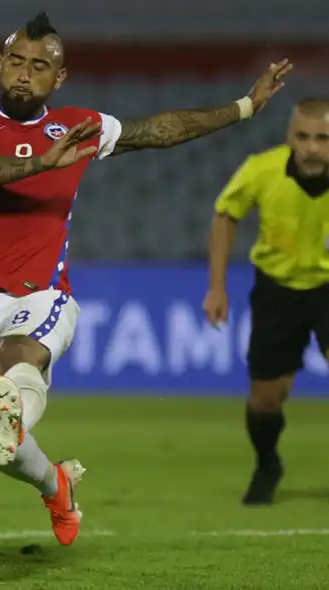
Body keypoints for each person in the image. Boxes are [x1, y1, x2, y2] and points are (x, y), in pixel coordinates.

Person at [0, 11, 290, 546]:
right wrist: (43, 163)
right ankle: (56, 485)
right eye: (15, 62)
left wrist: (244, 106)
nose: (24, 74)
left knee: (18, 358)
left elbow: (161, 130)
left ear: (59, 79)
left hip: (42, 294)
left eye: (39, 65)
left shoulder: (78, 127)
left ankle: (15, 405)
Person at [203, 98, 329, 506]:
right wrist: (217, 286)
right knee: (266, 399)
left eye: (323, 138)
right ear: (289, 136)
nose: (311, 147)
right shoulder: (262, 169)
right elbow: (226, 214)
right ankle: (267, 462)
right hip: (277, 290)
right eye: (303, 137)